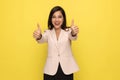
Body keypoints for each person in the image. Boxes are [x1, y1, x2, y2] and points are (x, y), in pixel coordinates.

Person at [33, 6, 79, 80]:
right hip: (50, 70)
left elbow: (73, 36)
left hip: (66, 69)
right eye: (54, 17)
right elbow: (42, 39)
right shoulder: (48, 33)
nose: (56, 20)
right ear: (50, 19)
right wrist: (39, 36)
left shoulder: (68, 31)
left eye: (59, 17)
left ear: (63, 19)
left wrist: (74, 32)